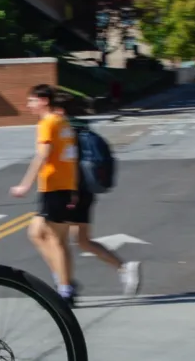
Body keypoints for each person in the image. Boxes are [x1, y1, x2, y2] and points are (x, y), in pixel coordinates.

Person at [51, 94, 141, 297]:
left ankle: (65, 286)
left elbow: (68, 164)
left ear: (60, 111)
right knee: (81, 240)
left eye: (53, 110)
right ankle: (124, 268)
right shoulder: (83, 128)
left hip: (72, 192)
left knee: (55, 240)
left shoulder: (65, 130)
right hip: (85, 192)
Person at [10, 84, 79, 306]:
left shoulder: (47, 123)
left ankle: (66, 289)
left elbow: (43, 156)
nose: (28, 105)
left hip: (55, 189)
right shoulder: (63, 122)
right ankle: (63, 279)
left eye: (31, 101)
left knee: (56, 240)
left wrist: (24, 185)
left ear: (43, 101)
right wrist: (74, 188)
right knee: (36, 233)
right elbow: (71, 157)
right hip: (61, 188)